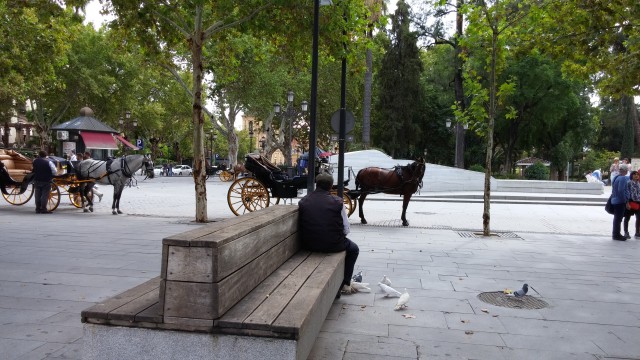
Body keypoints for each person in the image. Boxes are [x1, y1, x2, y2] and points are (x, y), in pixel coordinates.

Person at [298, 173, 359, 297]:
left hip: (309, 244)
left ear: (317, 184)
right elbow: (346, 229)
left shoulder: (303, 201)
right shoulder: (337, 202)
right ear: (331, 186)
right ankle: (345, 283)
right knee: (353, 249)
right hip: (333, 245)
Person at [611, 163, 630, 240]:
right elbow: (621, 190)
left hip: (615, 200)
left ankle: (616, 234)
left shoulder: (616, 177)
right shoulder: (622, 178)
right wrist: (625, 200)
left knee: (617, 218)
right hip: (620, 201)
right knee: (618, 219)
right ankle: (616, 235)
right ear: (625, 170)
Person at [623, 170, 640, 239]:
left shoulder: (638, 183)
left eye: (637, 174)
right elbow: (626, 193)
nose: (636, 176)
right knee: (627, 217)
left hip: (638, 202)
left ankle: (637, 232)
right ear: (631, 175)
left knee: (639, 217)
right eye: (634, 174)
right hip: (630, 202)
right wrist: (627, 202)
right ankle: (626, 232)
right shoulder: (628, 183)